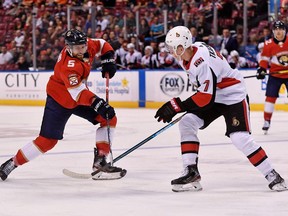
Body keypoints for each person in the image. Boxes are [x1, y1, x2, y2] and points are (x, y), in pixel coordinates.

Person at [154, 26, 287, 192]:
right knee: (187, 123)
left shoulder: (200, 61)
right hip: (214, 94)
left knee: (239, 138)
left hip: (233, 96)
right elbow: (206, 91)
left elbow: (204, 97)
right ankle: (191, 172)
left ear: (182, 47)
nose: (170, 51)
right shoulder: (185, 56)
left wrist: (176, 106)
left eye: (173, 48)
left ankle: (273, 175)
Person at [0, 29, 126, 181]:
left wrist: (108, 59)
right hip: (59, 99)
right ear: (68, 48)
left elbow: (102, 44)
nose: (82, 50)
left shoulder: (86, 45)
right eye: (77, 48)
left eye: (83, 46)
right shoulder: (68, 66)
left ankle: (100, 162)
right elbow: (77, 93)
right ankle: (12, 163)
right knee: (47, 141)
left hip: (78, 95)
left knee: (108, 119)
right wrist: (97, 103)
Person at [256, 20, 288, 134]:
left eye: (281, 29)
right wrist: (262, 69)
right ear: (273, 31)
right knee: (270, 98)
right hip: (275, 75)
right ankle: (267, 121)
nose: (278, 32)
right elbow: (264, 59)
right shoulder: (268, 44)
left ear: (285, 31)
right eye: (276, 30)